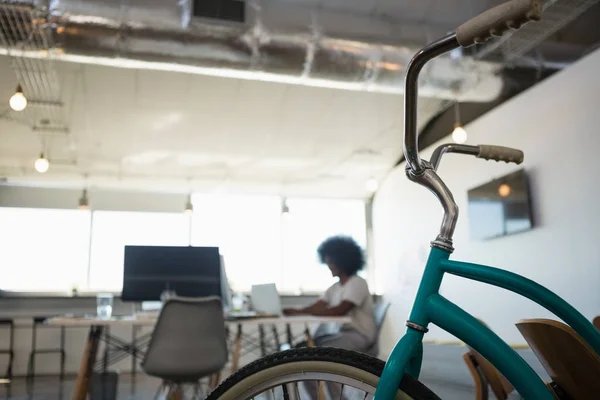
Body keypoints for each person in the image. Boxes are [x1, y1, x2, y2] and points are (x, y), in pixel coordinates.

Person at [284, 235, 377, 353]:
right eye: (327, 262)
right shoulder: (334, 287)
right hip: (343, 333)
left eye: (331, 262)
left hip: (360, 335)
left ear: (342, 262)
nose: (329, 266)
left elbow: (339, 310)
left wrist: (302, 312)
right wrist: (295, 310)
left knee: (312, 348)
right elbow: (317, 305)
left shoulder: (357, 283)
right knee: (305, 344)